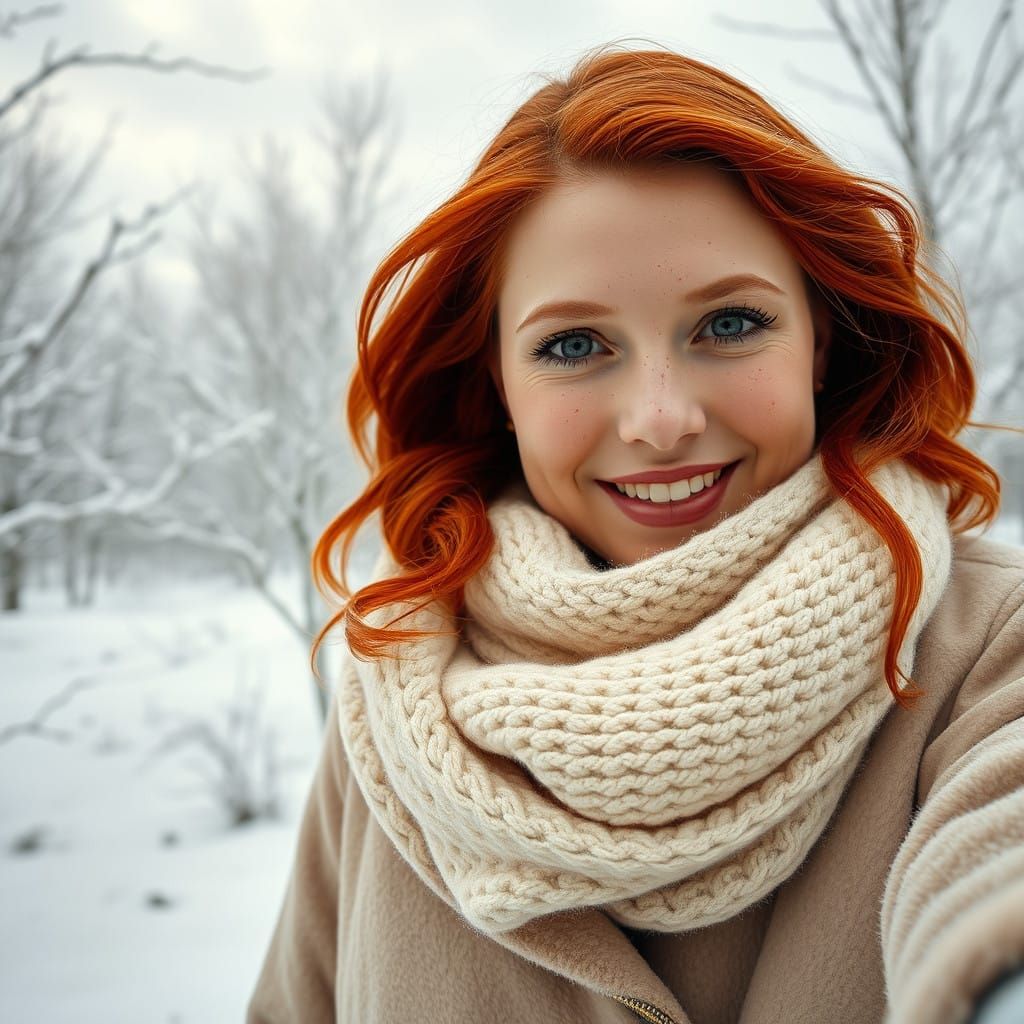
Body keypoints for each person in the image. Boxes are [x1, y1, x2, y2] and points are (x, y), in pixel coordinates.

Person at [247, 44, 1024, 1024]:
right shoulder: (397, 677)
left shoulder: (986, 645)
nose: (660, 420)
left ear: (820, 340)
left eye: (730, 324)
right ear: (497, 380)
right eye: (574, 345)